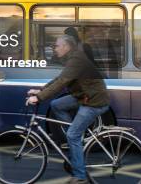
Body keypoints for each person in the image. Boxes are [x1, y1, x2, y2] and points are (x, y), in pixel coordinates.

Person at [28, 35, 110, 184]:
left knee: (73, 135)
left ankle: (80, 177)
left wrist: (39, 98)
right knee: (56, 105)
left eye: (57, 46)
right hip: (84, 96)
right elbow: (60, 78)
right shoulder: (72, 58)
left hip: (93, 101)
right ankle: (73, 138)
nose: (55, 49)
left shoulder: (76, 60)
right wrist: (40, 90)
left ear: (66, 47)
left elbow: (62, 83)